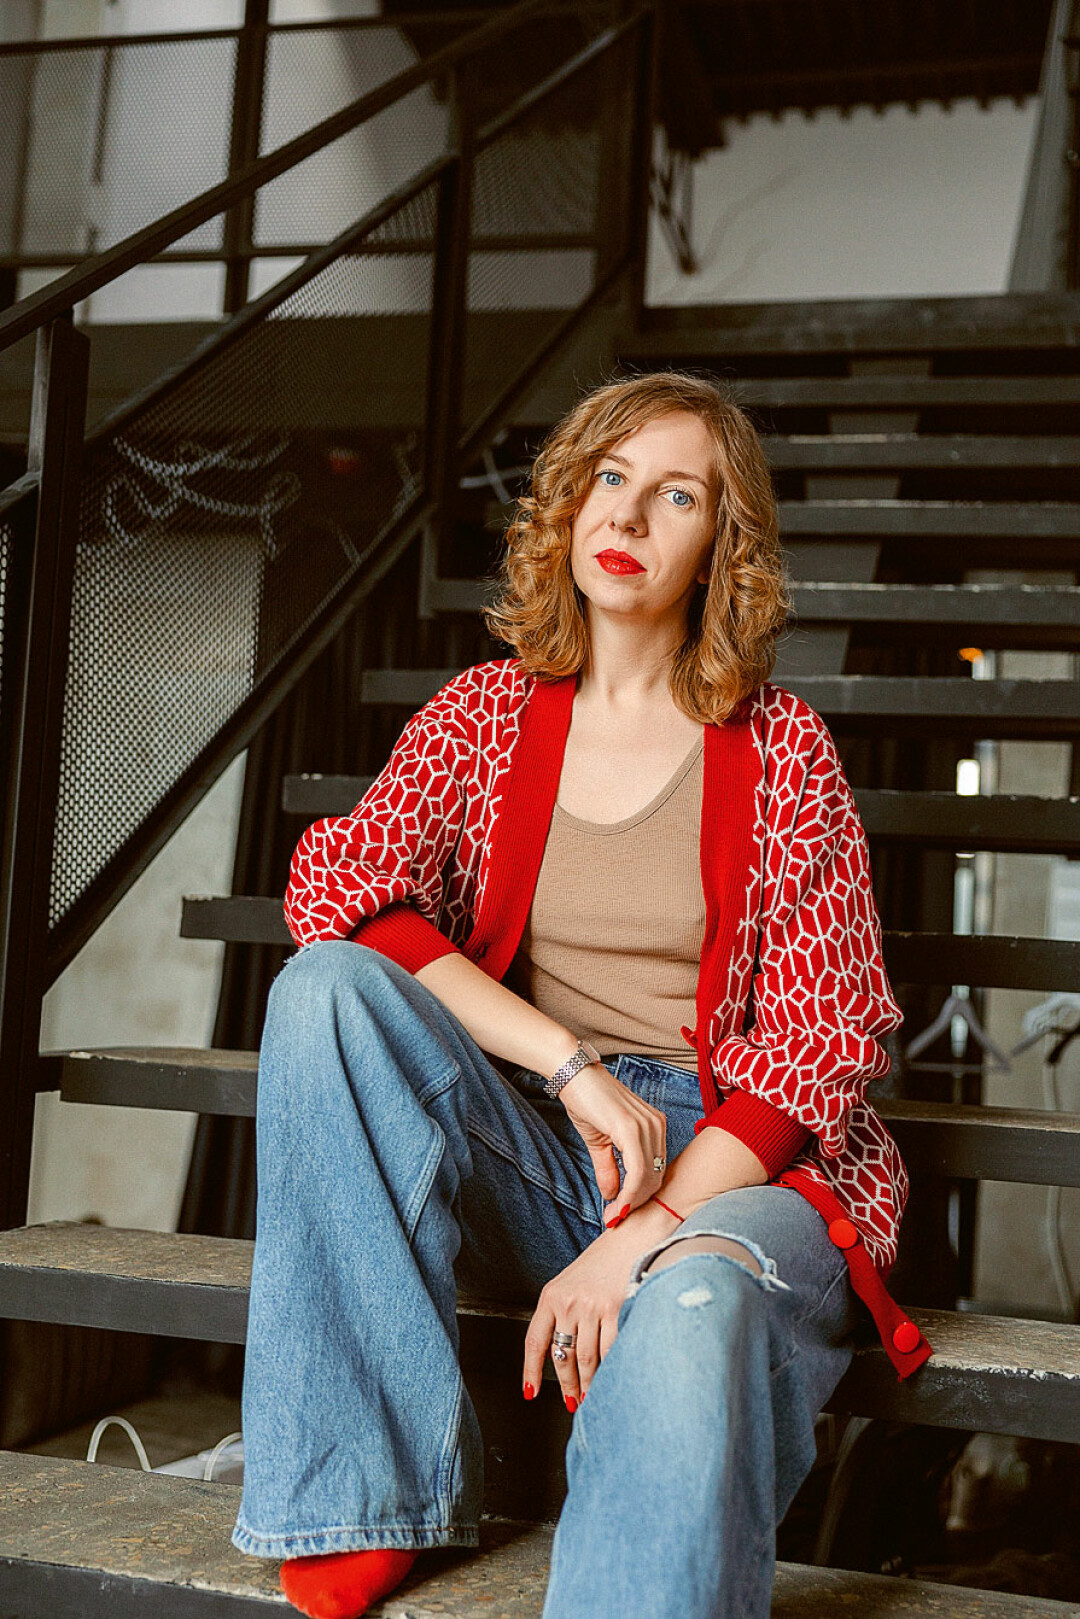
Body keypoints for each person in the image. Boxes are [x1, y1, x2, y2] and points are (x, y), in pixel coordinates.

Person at [232, 371, 933, 1619]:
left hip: (738, 1166)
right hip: (545, 1136)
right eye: (610, 477)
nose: (629, 514)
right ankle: (362, 1490)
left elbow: (821, 1041)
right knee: (325, 992)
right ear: (568, 502)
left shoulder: (783, 748)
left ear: (722, 543)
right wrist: (568, 1062)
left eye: (678, 495)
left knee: (695, 1304)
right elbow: (341, 886)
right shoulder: (484, 713)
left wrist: (640, 1233)